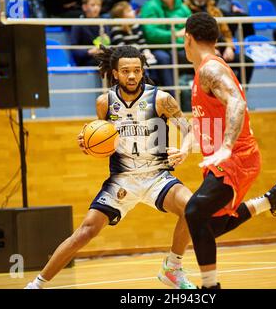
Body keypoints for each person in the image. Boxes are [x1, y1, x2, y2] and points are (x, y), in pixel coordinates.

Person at [25, 45, 197, 289]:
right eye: (126, 71)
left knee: (193, 208)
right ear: (115, 73)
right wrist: (87, 143)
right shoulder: (104, 102)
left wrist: (184, 150)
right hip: (122, 180)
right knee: (85, 231)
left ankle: (172, 268)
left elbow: (189, 130)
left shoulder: (161, 99)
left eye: (137, 70)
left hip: (157, 176)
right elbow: (102, 139)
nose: (132, 76)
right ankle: (37, 284)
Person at [181, 12, 276, 289]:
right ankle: (272, 199)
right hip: (222, 161)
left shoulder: (211, 69)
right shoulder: (202, 74)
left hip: (237, 158)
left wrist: (225, 147)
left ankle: (210, 288)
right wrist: (186, 147)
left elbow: (236, 102)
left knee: (194, 211)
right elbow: (202, 119)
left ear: (188, 38)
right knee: (209, 228)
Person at [185, 0, 254, 84]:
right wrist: (209, 50)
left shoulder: (215, 9)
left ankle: (239, 90)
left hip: (221, 50)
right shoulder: (185, 9)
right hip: (199, 52)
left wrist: (229, 47)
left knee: (247, 62)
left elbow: (227, 33)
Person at [140, 0, 192, 94]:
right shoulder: (150, 6)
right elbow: (151, 34)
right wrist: (175, 34)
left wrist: (177, 39)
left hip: (179, 48)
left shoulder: (184, 8)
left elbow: (190, 31)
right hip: (156, 48)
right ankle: (172, 98)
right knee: (164, 58)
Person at [70, 0, 108, 67]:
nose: (96, 8)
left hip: (102, 57)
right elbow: (74, 49)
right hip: (86, 59)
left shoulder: (104, 23)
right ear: (84, 7)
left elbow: (108, 43)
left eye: (99, 5)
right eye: (93, 5)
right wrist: (89, 52)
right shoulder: (78, 24)